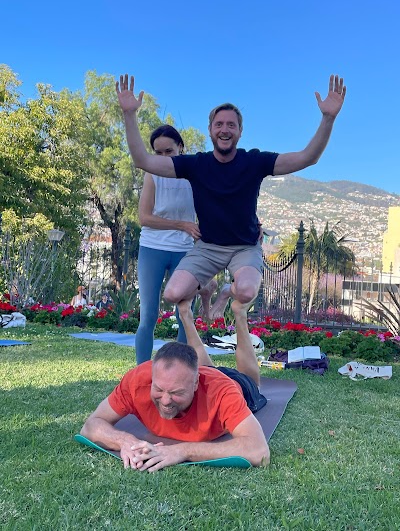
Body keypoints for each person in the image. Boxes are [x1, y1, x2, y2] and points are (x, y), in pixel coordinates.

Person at [115, 73, 346, 365]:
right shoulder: (195, 165)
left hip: (243, 248)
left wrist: (327, 119)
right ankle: (187, 350)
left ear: (239, 132)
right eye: (219, 124)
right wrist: (128, 114)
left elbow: (307, 157)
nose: (225, 129)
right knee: (173, 293)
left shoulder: (254, 161)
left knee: (246, 290)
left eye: (231, 125)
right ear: (210, 130)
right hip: (208, 247)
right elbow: (143, 160)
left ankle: (226, 292)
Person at [80, 298, 269, 472]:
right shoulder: (137, 381)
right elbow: (90, 426)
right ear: (152, 377)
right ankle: (185, 316)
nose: (165, 400)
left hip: (237, 384)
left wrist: (182, 451)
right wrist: (124, 441)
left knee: (252, 381)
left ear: (195, 384)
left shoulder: (222, 393)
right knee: (201, 367)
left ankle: (240, 315)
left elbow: (259, 451)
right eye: (159, 389)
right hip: (200, 373)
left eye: (176, 392)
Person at [135, 124, 217, 364]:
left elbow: (213, 208)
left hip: (184, 251)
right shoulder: (152, 175)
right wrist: (181, 225)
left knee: (184, 315)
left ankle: (181, 371)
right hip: (152, 248)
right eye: (157, 153)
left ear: (180, 148)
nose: (162, 158)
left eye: (168, 152)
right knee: (148, 316)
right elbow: (144, 218)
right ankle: (141, 373)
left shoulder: (194, 174)